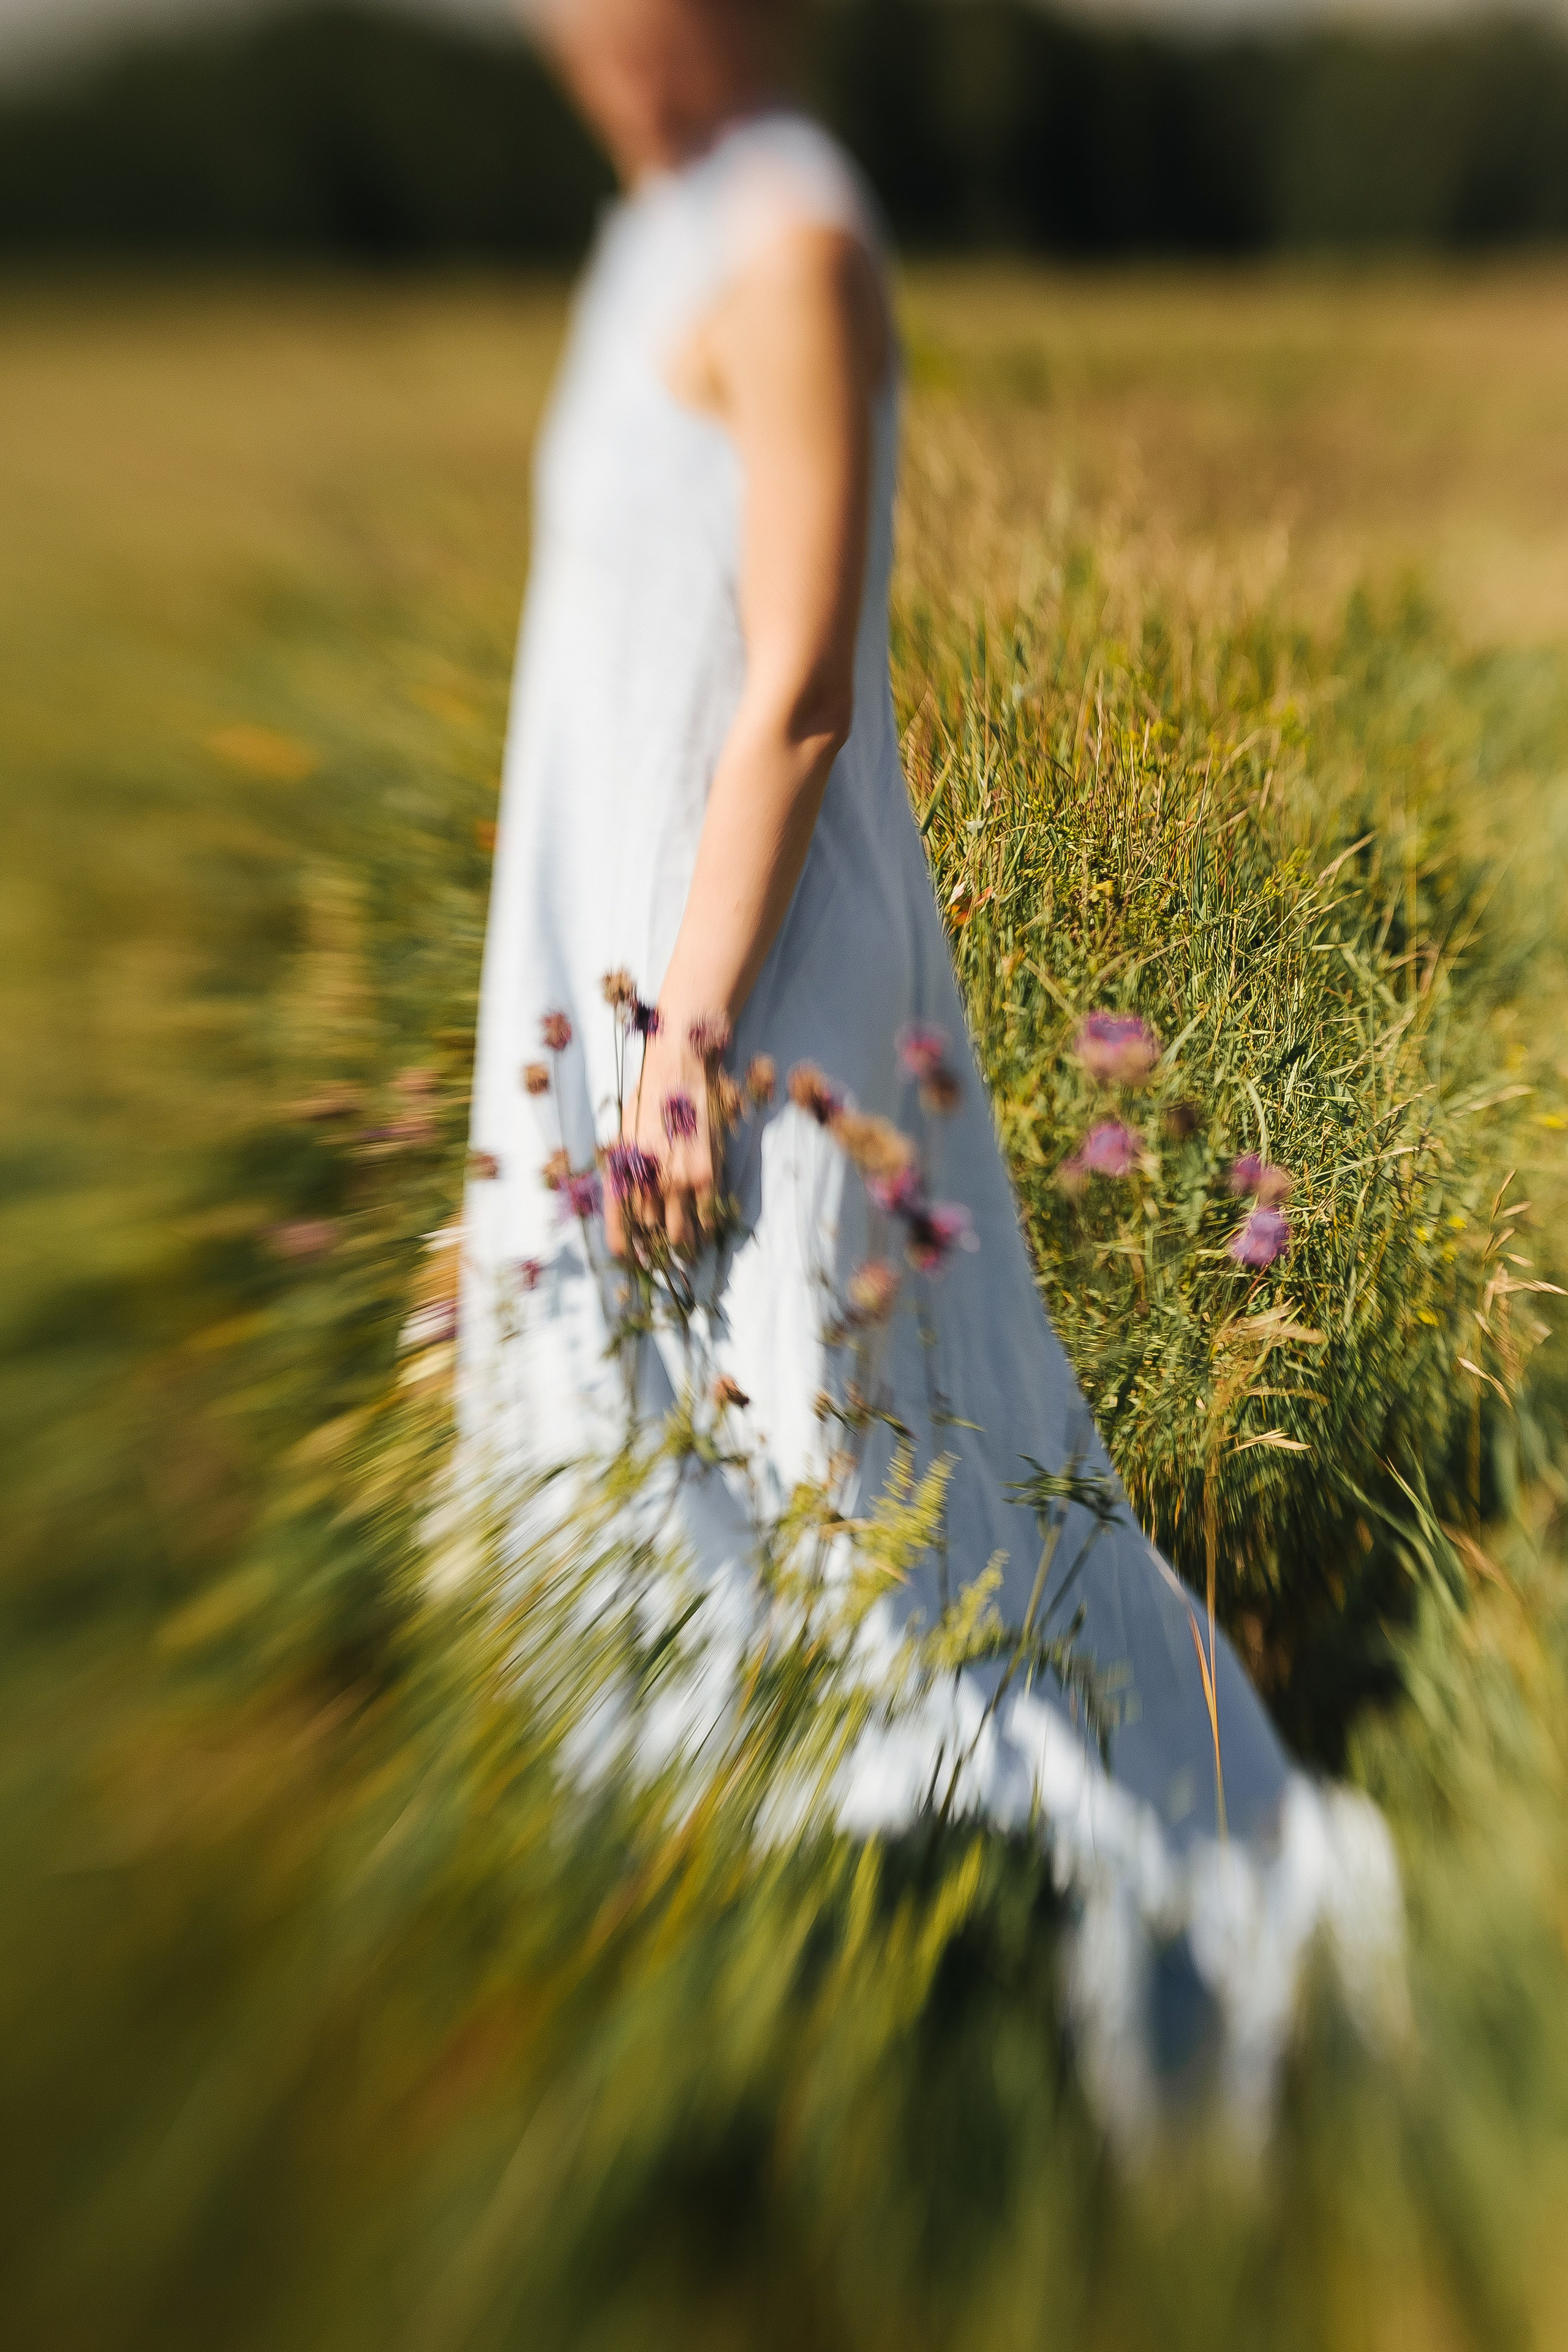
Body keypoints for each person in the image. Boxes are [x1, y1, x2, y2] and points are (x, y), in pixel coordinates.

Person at [460, 0, 1400, 2130]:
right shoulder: (659, 239)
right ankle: (796, 2012)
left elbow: (793, 683)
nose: (586, 34)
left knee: (886, 1514)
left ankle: (1180, 1941)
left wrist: (684, 1049)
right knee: (706, 1508)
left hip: (754, 1016)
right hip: (637, 987)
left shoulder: (790, 242)